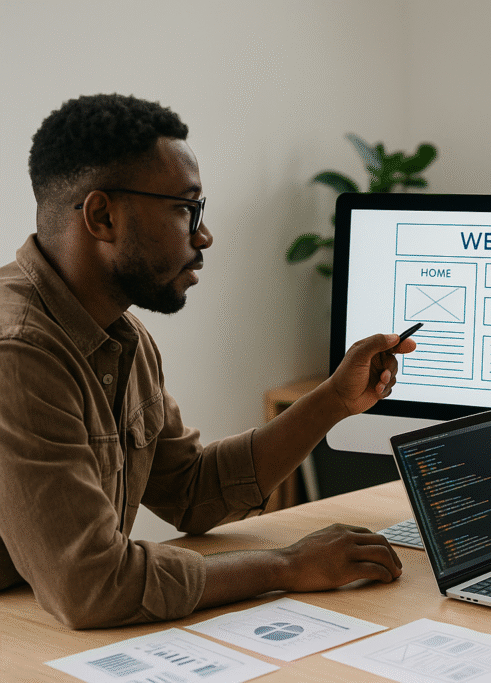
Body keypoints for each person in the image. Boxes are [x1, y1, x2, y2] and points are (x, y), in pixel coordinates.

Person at [0, 93, 415, 629]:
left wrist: (334, 400)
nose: (204, 236)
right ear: (102, 215)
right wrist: (284, 566)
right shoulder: (19, 351)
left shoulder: (123, 337)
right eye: (185, 209)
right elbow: (91, 585)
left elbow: (193, 493)